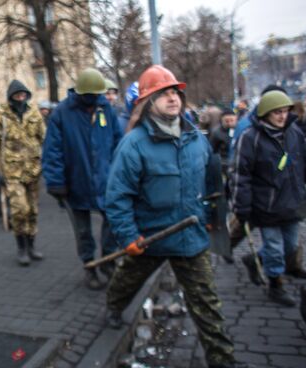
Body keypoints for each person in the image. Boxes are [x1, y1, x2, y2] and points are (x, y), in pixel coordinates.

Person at [105, 66, 242, 368]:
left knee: (208, 306)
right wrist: (128, 236)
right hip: (150, 237)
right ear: (147, 102)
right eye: (162, 94)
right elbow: (117, 196)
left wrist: (210, 215)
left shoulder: (196, 138)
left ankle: (224, 362)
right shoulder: (133, 145)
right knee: (126, 281)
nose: (172, 99)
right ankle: (113, 308)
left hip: (190, 238)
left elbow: (210, 181)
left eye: (174, 93)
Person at [231, 90, 306, 306]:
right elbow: (240, 174)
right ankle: (275, 283)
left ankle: (255, 261)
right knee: (274, 248)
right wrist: (241, 206)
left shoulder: (294, 133)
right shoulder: (250, 138)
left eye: (284, 112)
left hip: (293, 203)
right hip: (266, 206)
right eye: (276, 113)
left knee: (290, 246)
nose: (282, 117)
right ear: (265, 114)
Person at [42, 68, 123, 290]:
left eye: (96, 95)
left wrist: (122, 173)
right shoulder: (62, 113)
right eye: (89, 96)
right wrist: (55, 181)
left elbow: (118, 142)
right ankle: (90, 266)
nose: (92, 100)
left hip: (106, 181)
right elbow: (52, 150)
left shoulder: (106, 109)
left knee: (113, 223)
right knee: (83, 231)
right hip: (75, 182)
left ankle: (108, 261)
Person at [0, 80, 46, 266]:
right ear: (11, 97)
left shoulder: (34, 114)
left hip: (33, 170)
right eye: (17, 95)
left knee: (33, 210)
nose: (21, 98)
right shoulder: (0, 117)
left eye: (23, 95)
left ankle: (32, 245)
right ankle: (21, 247)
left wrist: (50, 162)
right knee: (20, 209)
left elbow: (45, 138)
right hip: (12, 172)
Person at [209, 108, 237, 174]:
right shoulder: (216, 132)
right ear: (222, 121)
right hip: (223, 162)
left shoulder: (239, 130)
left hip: (237, 161)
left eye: (232, 120)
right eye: (226, 121)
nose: (229, 123)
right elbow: (212, 150)